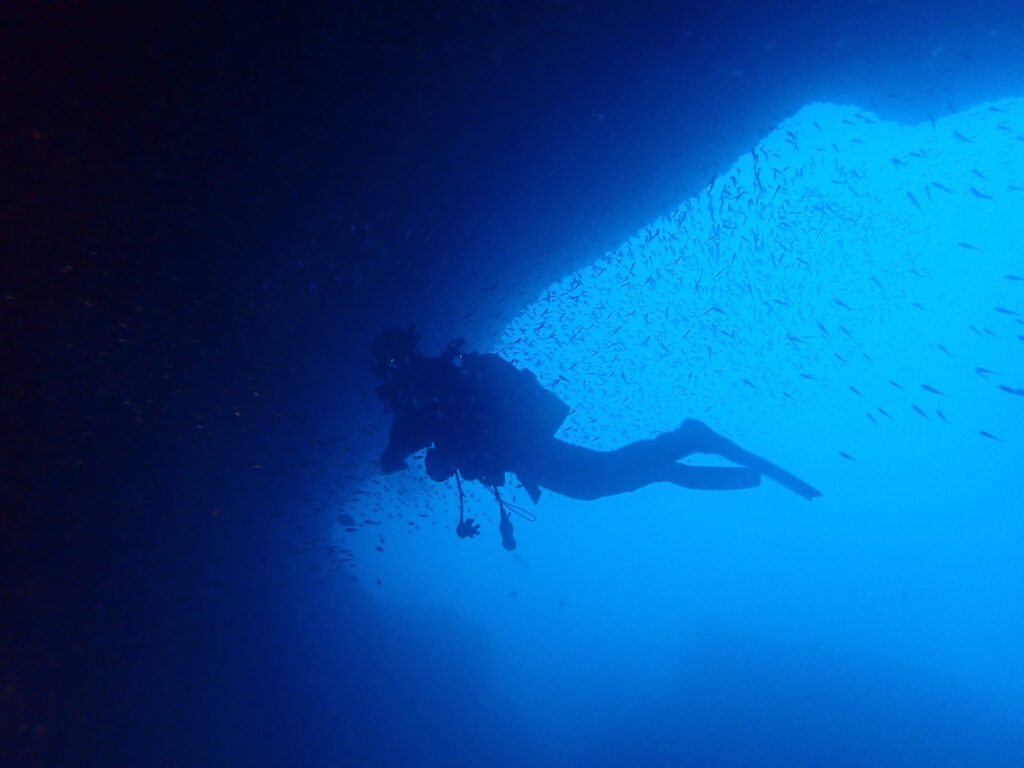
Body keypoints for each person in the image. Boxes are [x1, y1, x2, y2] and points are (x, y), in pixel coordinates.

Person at [371, 325, 821, 536]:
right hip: (520, 449)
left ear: (400, 360)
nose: (392, 374)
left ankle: (685, 439)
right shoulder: (435, 382)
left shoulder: (421, 395)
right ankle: (670, 456)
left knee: (597, 480)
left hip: (520, 450)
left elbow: (395, 457)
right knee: (599, 478)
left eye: (390, 366)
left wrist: (408, 453)